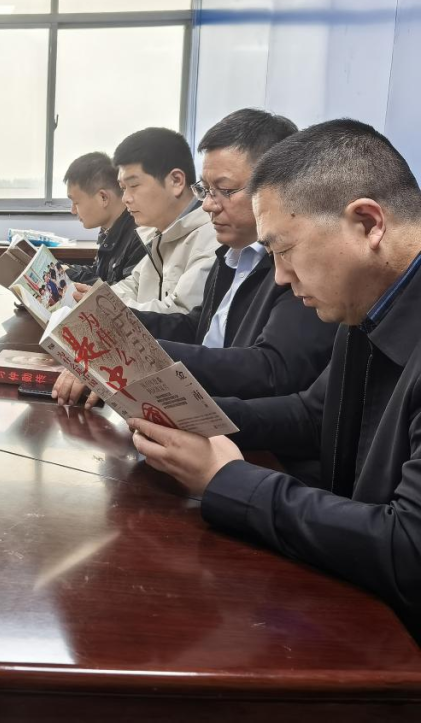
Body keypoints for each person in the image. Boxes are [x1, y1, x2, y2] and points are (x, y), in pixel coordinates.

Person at [128, 119, 421, 641]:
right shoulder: (364, 304)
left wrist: (226, 479)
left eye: (284, 251)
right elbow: (312, 415)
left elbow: (409, 549)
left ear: (368, 223)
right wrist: (187, 415)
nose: (280, 277)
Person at [54, 109, 336, 409]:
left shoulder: (297, 267)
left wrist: (136, 355)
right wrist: (111, 323)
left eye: (224, 190)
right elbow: (195, 327)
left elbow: (271, 370)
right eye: (205, 190)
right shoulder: (231, 254)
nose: (208, 205)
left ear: (278, 189)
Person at [77, 127, 218, 314]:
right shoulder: (158, 232)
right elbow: (133, 286)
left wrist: (103, 306)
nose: (125, 198)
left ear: (176, 181)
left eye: (134, 185)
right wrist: (94, 297)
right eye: (123, 188)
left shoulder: (212, 237)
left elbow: (178, 314)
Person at [63, 151, 147, 285]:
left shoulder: (140, 237)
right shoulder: (108, 231)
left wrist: (70, 273)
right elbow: (100, 274)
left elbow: (121, 292)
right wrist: (66, 270)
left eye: (76, 202)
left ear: (103, 198)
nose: (73, 211)